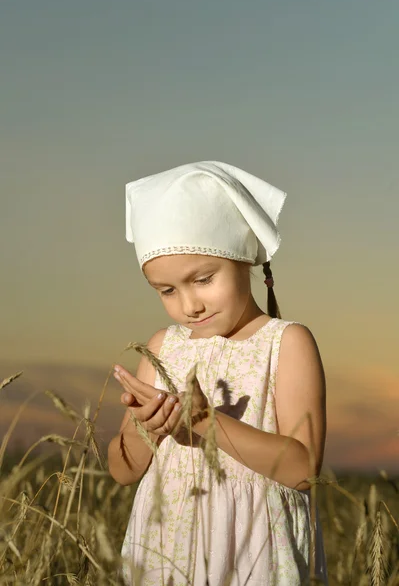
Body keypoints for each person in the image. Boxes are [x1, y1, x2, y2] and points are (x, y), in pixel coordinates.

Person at [108, 161, 328, 585]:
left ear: (242, 259)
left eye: (204, 279)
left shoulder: (286, 343)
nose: (189, 305)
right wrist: (144, 428)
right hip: (167, 549)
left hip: (254, 550)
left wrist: (207, 421)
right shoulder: (162, 348)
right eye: (168, 291)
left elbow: (304, 469)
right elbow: (122, 471)